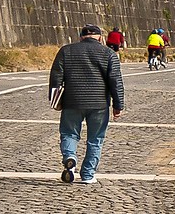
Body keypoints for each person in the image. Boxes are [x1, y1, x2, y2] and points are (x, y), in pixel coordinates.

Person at [49, 23, 125, 185]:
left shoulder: (66, 51)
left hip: (72, 101)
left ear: (81, 37)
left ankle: (70, 157)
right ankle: (88, 174)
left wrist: (55, 100)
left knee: (69, 133)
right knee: (95, 139)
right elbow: (115, 81)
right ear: (100, 37)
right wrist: (118, 105)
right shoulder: (108, 53)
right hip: (99, 104)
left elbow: (56, 77)